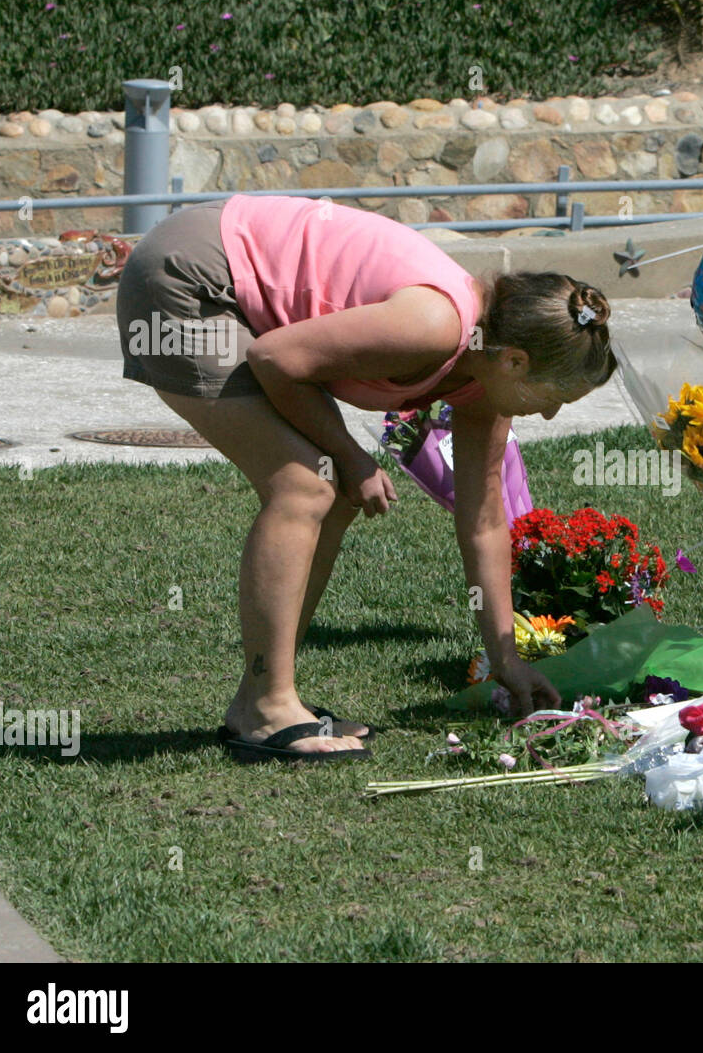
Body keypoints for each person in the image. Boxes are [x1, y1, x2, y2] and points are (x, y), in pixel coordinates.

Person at [115, 193, 615, 762]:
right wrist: (351, 456)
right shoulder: (435, 324)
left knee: (332, 495)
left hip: (225, 279)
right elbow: (277, 360)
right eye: (555, 397)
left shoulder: (486, 379)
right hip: (192, 276)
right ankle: (267, 704)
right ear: (516, 361)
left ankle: (262, 698)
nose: (549, 414)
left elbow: (483, 521)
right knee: (306, 486)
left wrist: (506, 658)